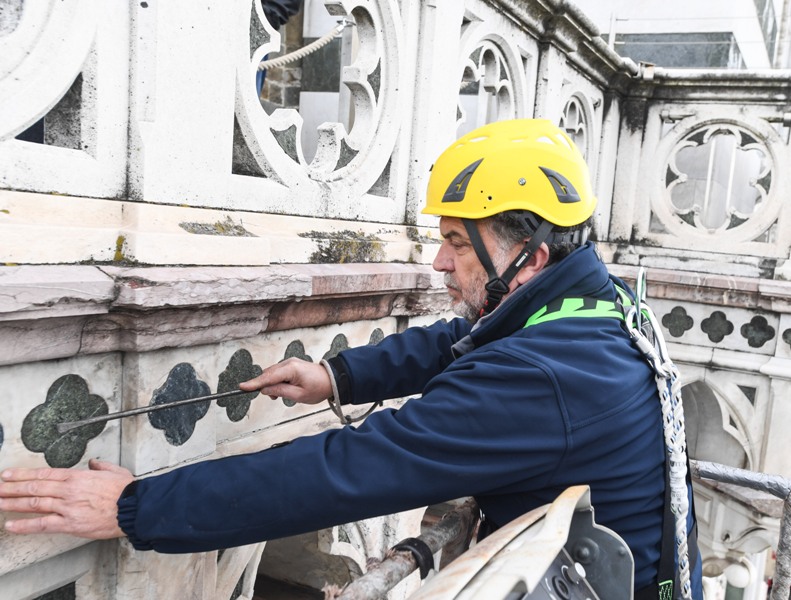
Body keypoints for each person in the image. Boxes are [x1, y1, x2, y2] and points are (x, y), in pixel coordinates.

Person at [0, 119, 702, 598]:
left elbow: (343, 471)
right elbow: (468, 339)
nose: (437, 262)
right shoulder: (592, 305)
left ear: (530, 255)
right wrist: (336, 374)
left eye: (457, 243)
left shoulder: (546, 377)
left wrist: (133, 507)